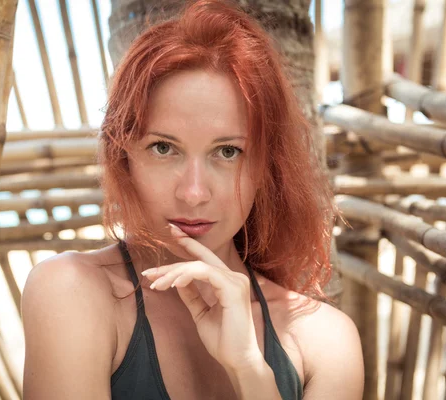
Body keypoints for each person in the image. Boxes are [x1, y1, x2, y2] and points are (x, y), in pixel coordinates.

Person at [22, 0, 364, 399]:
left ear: (265, 170)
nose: (194, 193)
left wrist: (250, 370)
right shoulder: (73, 292)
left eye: (228, 152)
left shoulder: (325, 340)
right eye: (164, 148)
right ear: (123, 156)